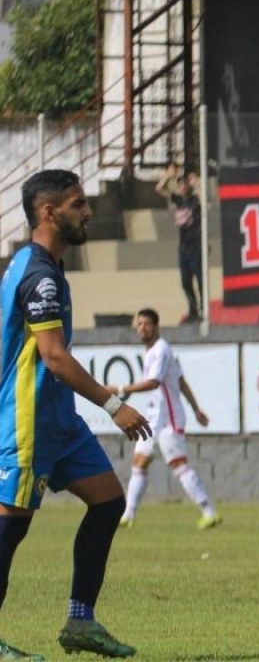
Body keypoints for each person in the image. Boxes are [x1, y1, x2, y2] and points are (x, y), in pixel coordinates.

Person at [0, 170, 152, 659]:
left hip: (59, 421)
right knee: (9, 527)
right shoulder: (39, 275)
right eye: (78, 204)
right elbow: (55, 357)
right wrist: (114, 404)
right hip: (27, 421)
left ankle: (80, 622)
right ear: (49, 213)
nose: (88, 212)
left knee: (108, 503)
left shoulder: (38, 263)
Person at [115, 309, 221, 530]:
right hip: (154, 418)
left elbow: (154, 382)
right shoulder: (152, 351)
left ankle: (209, 512)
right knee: (139, 462)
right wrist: (197, 409)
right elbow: (181, 380)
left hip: (169, 419)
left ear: (156, 326)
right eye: (139, 324)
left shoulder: (161, 350)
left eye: (147, 324)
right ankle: (128, 515)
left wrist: (120, 388)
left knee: (178, 465)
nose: (142, 328)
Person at [153, 164, 203, 324]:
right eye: (180, 184)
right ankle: (193, 311)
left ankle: (203, 311)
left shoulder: (195, 200)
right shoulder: (179, 200)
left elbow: (204, 197)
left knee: (201, 281)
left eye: (184, 184)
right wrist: (168, 175)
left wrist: (197, 183)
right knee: (185, 281)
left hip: (197, 247)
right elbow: (159, 189)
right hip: (184, 248)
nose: (182, 187)